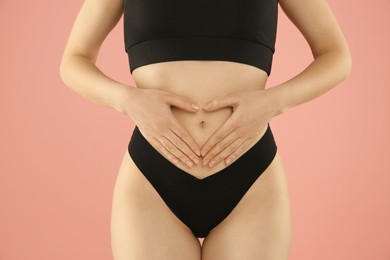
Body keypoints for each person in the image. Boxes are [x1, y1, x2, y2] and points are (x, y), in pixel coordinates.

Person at [59, 0, 351, 258]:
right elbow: (74, 60)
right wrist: (128, 101)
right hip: (153, 177)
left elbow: (336, 55)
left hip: (250, 176)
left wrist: (274, 102)